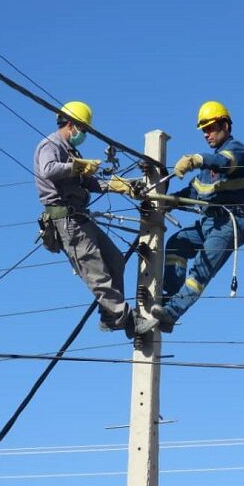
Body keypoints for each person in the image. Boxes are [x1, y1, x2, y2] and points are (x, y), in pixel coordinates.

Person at [34, 101, 157, 337]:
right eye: (83, 129)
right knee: (98, 275)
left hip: (81, 216)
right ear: (71, 124)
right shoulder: (50, 145)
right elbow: (48, 169)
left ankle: (109, 317)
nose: (84, 134)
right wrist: (76, 168)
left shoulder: (71, 151)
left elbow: (90, 182)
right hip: (66, 219)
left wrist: (119, 185)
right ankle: (128, 319)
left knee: (115, 261)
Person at [151, 101, 244, 331]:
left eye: (211, 128)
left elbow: (224, 162)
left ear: (225, 126)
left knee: (202, 266)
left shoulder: (237, 150)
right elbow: (193, 191)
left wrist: (196, 158)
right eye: (204, 130)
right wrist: (169, 202)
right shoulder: (206, 170)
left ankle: (171, 313)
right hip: (209, 221)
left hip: (232, 220)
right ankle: (167, 300)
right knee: (177, 244)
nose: (206, 134)